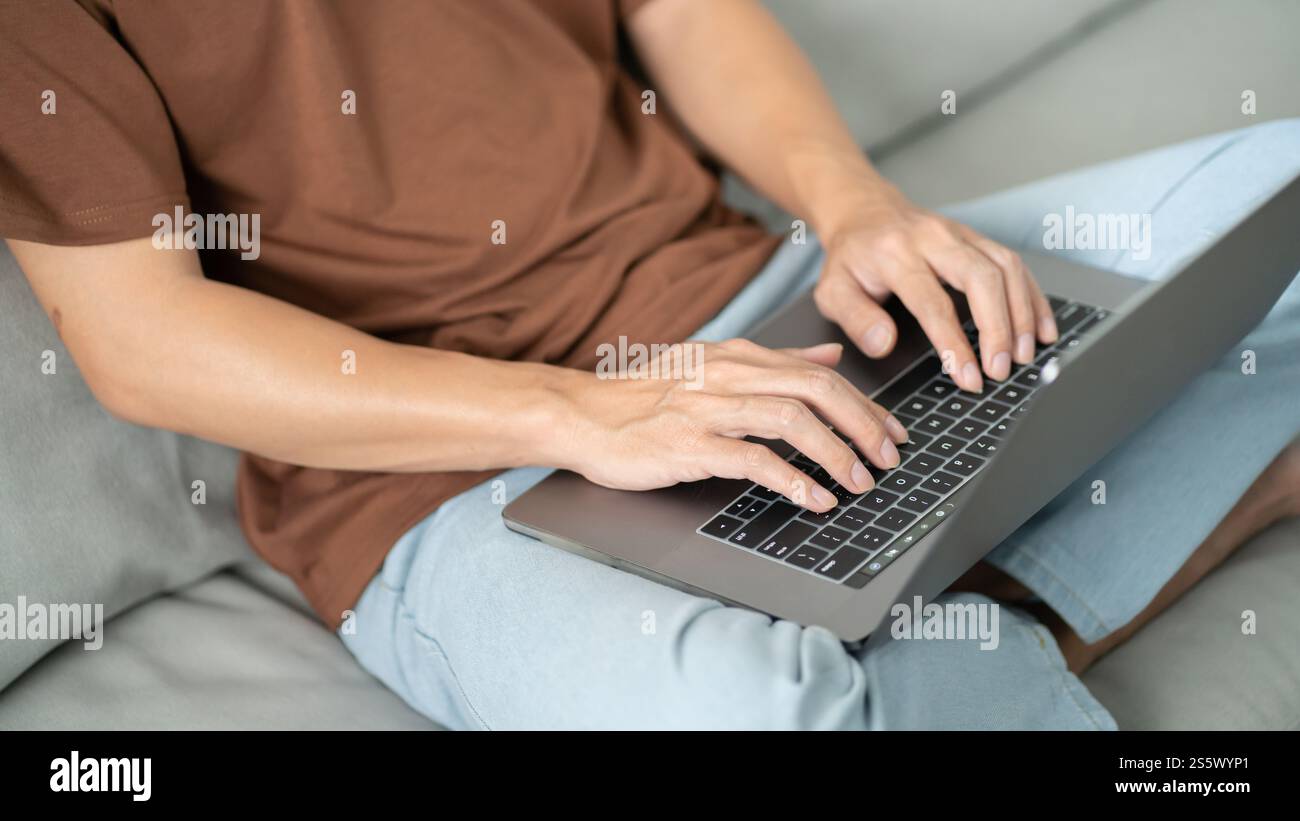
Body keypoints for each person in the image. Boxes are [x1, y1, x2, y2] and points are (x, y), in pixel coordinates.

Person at [2, 0, 1297, 729]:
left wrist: (853, 206)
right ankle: (1027, 593)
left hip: (771, 307)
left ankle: (935, 607)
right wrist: (589, 410)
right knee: (743, 714)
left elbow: (673, 9)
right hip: (445, 472)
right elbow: (143, 340)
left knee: (1277, 211)